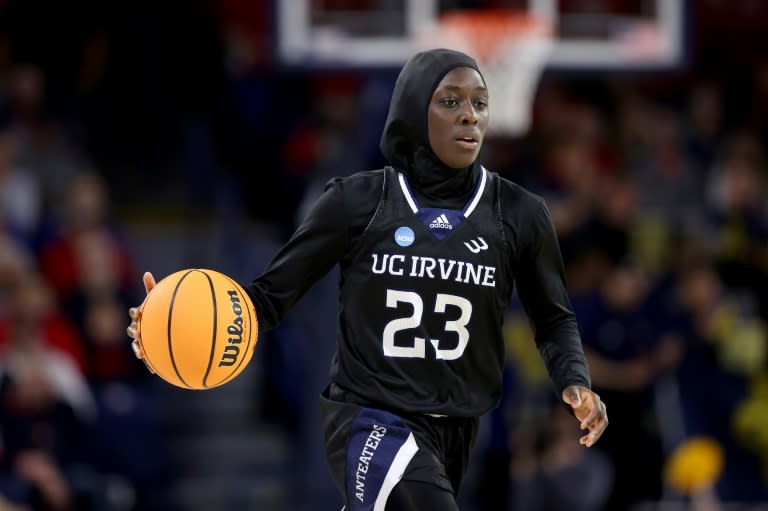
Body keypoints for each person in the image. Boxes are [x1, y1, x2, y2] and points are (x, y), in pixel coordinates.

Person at [127, 48, 608, 510]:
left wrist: (575, 380)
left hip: (459, 428)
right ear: (414, 112)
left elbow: (553, 317)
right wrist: (176, 322)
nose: (470, 115)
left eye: (480, 103)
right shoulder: (358, 201)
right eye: (450, 101)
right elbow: (267, 300)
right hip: (371, 419)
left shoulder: (520, 213)